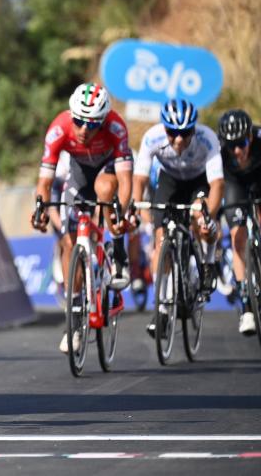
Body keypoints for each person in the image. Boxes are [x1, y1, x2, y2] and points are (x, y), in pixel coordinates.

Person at [30, 83, 133, 354]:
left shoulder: (116, 127)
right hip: (80, 172)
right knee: (68, 241)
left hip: (109, 167)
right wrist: (40, 208)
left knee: (106, 190)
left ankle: (119, 251)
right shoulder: (59, 128)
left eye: (93, 124)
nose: (85, 129)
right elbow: (44, 181)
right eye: (79, 121)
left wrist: (120, 211)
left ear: (104, 120)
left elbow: (125, 180)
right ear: (71, 114)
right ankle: (74, 317)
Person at [133, 99, 223, 338]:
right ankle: (161, 308)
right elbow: (139, 179)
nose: (179, 139)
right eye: (173, 133)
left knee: (200, 218)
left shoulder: (208, 139)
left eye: (185, 132)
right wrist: (138, 206)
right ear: (165, 129)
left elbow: (217, 184)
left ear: (194, 129)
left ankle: (207, 263)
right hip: (170, 181)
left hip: (199, 181)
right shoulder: (152, 138)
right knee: (160, 240)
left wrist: (209, 217)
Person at [217, 109, 261, 336]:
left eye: (242, 143)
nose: (236, 151)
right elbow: (211, 182)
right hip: (235, 186)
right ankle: (246, 307)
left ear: (251, 137)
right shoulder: (218, 150)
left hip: (258, 180)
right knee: (238, 237)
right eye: (231, 145)